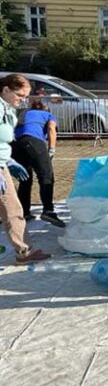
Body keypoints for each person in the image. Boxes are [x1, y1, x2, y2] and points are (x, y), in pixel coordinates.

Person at [0, 74, 51, 264]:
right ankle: (24, 252)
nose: (22, 100)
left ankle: (24, 251)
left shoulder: (7, 108)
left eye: (25, 97)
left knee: (12, 208)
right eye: (20, 95)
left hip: (3, 163)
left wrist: (8, 161)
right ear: (6, 90)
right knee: (11, 208)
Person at [12, 99, 64, 227]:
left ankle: (24, 212)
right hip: (34, 141)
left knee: (25, 179)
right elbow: (51, 129)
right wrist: (51, 149)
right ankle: (48, 210)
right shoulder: (48, 115)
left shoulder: (24, 113)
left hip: (16, 144)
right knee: (46, 175)